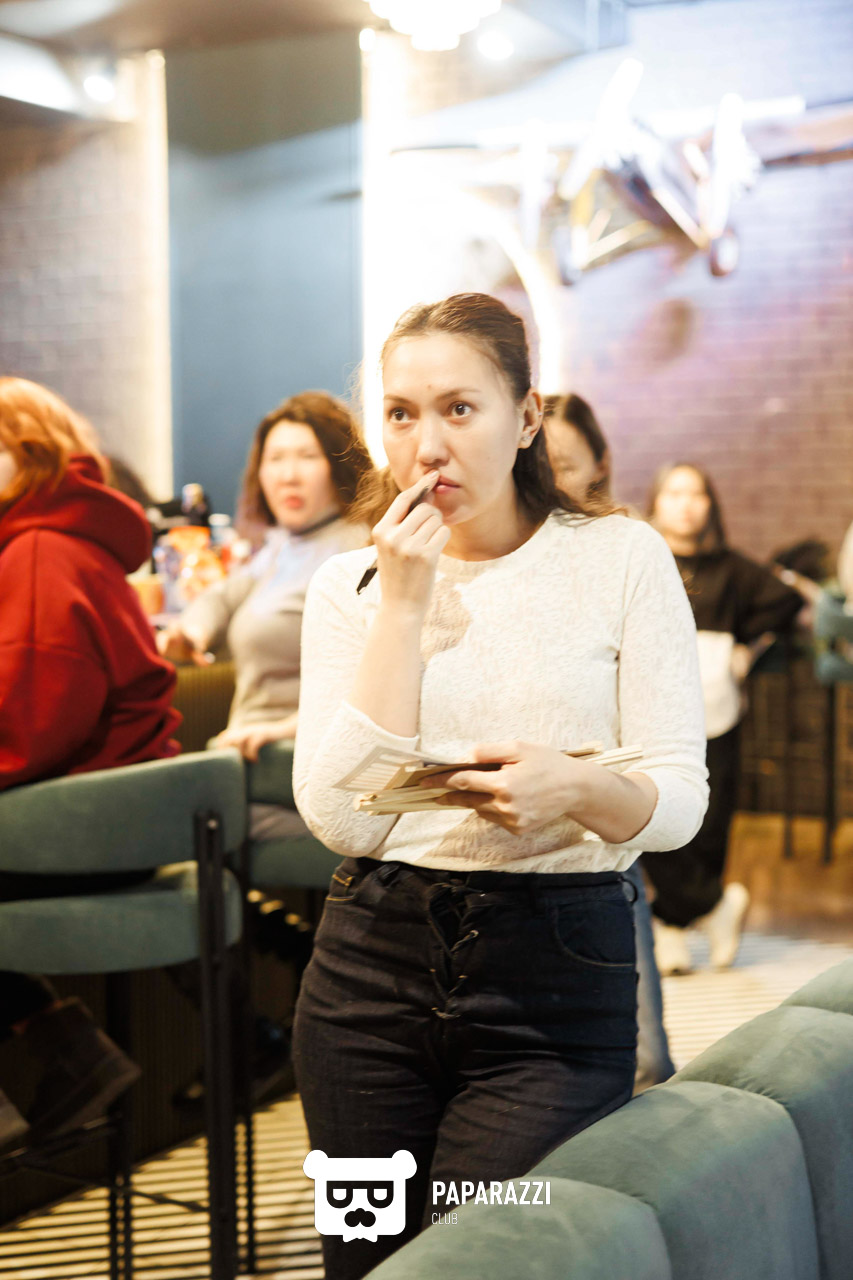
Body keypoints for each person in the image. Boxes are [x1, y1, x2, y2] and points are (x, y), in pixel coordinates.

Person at [292, 294, 708, 1280]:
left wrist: (576, 791)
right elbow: (342, 816)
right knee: (365, 1261)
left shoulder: (619, 557)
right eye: (401, 414)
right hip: (367, 972)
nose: (426, 444)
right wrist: (402, 606)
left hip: (553, 975)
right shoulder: (351, 586)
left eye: (458, 409)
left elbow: (677, 798)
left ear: (525, 417)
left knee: (487, 1257)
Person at [0, 377, 182, 1150]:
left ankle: (58, 1056)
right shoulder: (66, 539)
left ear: (28, 454)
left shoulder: (38, 549)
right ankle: (61, 1046)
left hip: (85, 829)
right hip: (120, 820)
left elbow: (30, 721)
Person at [158, 391, 373, 838]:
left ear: (338, 464)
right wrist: (192, 633)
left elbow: (372, 682)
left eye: (307, 457)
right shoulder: (284, 546)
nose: (288, 475)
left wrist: (284, 729)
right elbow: (221, 597)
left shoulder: (357, 550)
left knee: (180, 823)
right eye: (275, 459)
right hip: (250, 758)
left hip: (290, 759)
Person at [543, 392, 675, 1089]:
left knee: (642, 1055)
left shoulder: (628, 554)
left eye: (563, 464)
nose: (547, 478)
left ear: (599, 464)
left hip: (611, 807)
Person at [642, 463, 805, 976]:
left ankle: (672, 927)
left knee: (710, 824)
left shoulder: (730, 567)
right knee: (651, 816)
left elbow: (786, 600)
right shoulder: (641, 556)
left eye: (696, 494)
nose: (686, 504)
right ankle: (715, 906)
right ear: (656, 501)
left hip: (715, 706)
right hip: (647, 703)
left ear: (710, 505)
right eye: (675, 492)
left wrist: (747, 644)